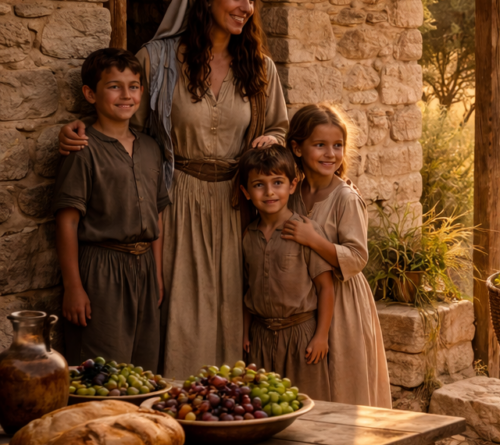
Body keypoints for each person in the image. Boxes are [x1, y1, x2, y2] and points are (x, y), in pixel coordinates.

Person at [57, 0, 289, 378]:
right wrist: (73, 129)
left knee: (229, 306)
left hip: (235, 206)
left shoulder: (260, 67)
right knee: (176, 309)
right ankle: (173, 407)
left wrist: (270, 140)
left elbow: (279, 126)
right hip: (174, 201)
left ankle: (220, 408)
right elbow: (123, 121)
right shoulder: (158, 59)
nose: (246, 6)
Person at [53, 48, 170, 372]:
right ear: (90, 94)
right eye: (114, 86)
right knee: (102, 370)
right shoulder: (82, 148)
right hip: (102, 269)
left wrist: (157, 274)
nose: (126, 95)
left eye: (133, 86)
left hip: (144, 267)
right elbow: (67, 221)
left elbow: (158, 216)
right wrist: (74, 286)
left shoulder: (149, 147)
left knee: (143, 369)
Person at [282, 104, 392, 408]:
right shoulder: (291, 192)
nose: (330, 153)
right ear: (297, 148)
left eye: (338, 145)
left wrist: (315, 240)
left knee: (343, 380)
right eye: (320, 145)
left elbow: (357, 257)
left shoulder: (346, 198)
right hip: (303, 302)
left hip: (343, 305)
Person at [238, 146, 334, 402]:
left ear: (292, 185)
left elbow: (326, 286)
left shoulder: (305, 230)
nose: (269, 192)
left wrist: (321, 336)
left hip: (301, 336)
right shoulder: (248, 236)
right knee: (263, 404)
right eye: (259, 185)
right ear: (246, 192)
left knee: (308, 404)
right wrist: (246, 332)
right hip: (260, 336)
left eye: (277, 182)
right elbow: (248, 288)